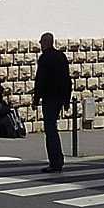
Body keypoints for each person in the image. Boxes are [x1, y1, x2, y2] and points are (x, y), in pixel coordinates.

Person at [31, 32, 72, 173]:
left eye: (41, 42)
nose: (40, 44)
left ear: (46, 42)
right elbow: (67, 80)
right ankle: (58, 160)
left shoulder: (44, 58)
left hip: (49, 98)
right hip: (60, 98)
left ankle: (55, 161)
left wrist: (36, 99)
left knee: (50, 130)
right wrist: (66, 100)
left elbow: (40, 80)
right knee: (52, 128)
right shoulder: (61, 57)